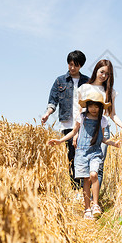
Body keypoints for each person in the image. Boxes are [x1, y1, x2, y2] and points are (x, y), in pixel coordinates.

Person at [48, 92, 120, 219]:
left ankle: (95, 204)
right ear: (87, 106)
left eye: (96, 106)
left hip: (95, 152)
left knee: (94, 174)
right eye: (91, 106)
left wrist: (114, 143)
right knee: (85, 179)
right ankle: (87, 208)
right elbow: (74, 132)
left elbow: (102, 138)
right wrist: (60, 141)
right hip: (81, 152)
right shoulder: (81, 117)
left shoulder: (103, 120)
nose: (93, 109)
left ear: (101, 107)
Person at [42, 50, 89, 189]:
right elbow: (53, 101)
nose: (72, 68)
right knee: (71, 155)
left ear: (81, 66)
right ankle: (75, 187)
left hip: (84, 122)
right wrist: (47, 113)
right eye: (70, 64)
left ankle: (84, 187)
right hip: (67, 123)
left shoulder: (87, 81)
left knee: (83, 154)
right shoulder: (60, 80)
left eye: (76, 65)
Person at [77, 59, 122, 188]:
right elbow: (79, 113)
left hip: (102, 129)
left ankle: (95, 201)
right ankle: (86, 200)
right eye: (102, 72)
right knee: (85, 166)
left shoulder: (110, 92)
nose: (104, 76)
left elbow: (112, 114)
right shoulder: (84, 88)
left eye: (107, 74)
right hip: (85, 130)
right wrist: (75, 134)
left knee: (98, 165)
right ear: (96, 70)